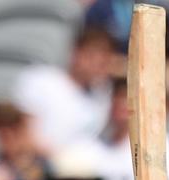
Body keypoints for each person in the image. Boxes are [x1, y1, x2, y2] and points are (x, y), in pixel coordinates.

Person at [12, 26, 119, 154]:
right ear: (76, 52)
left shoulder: (103, 96)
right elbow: (23, 134)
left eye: (104, 59)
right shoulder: (40, 79)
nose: (97, 63)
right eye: (91, 55)